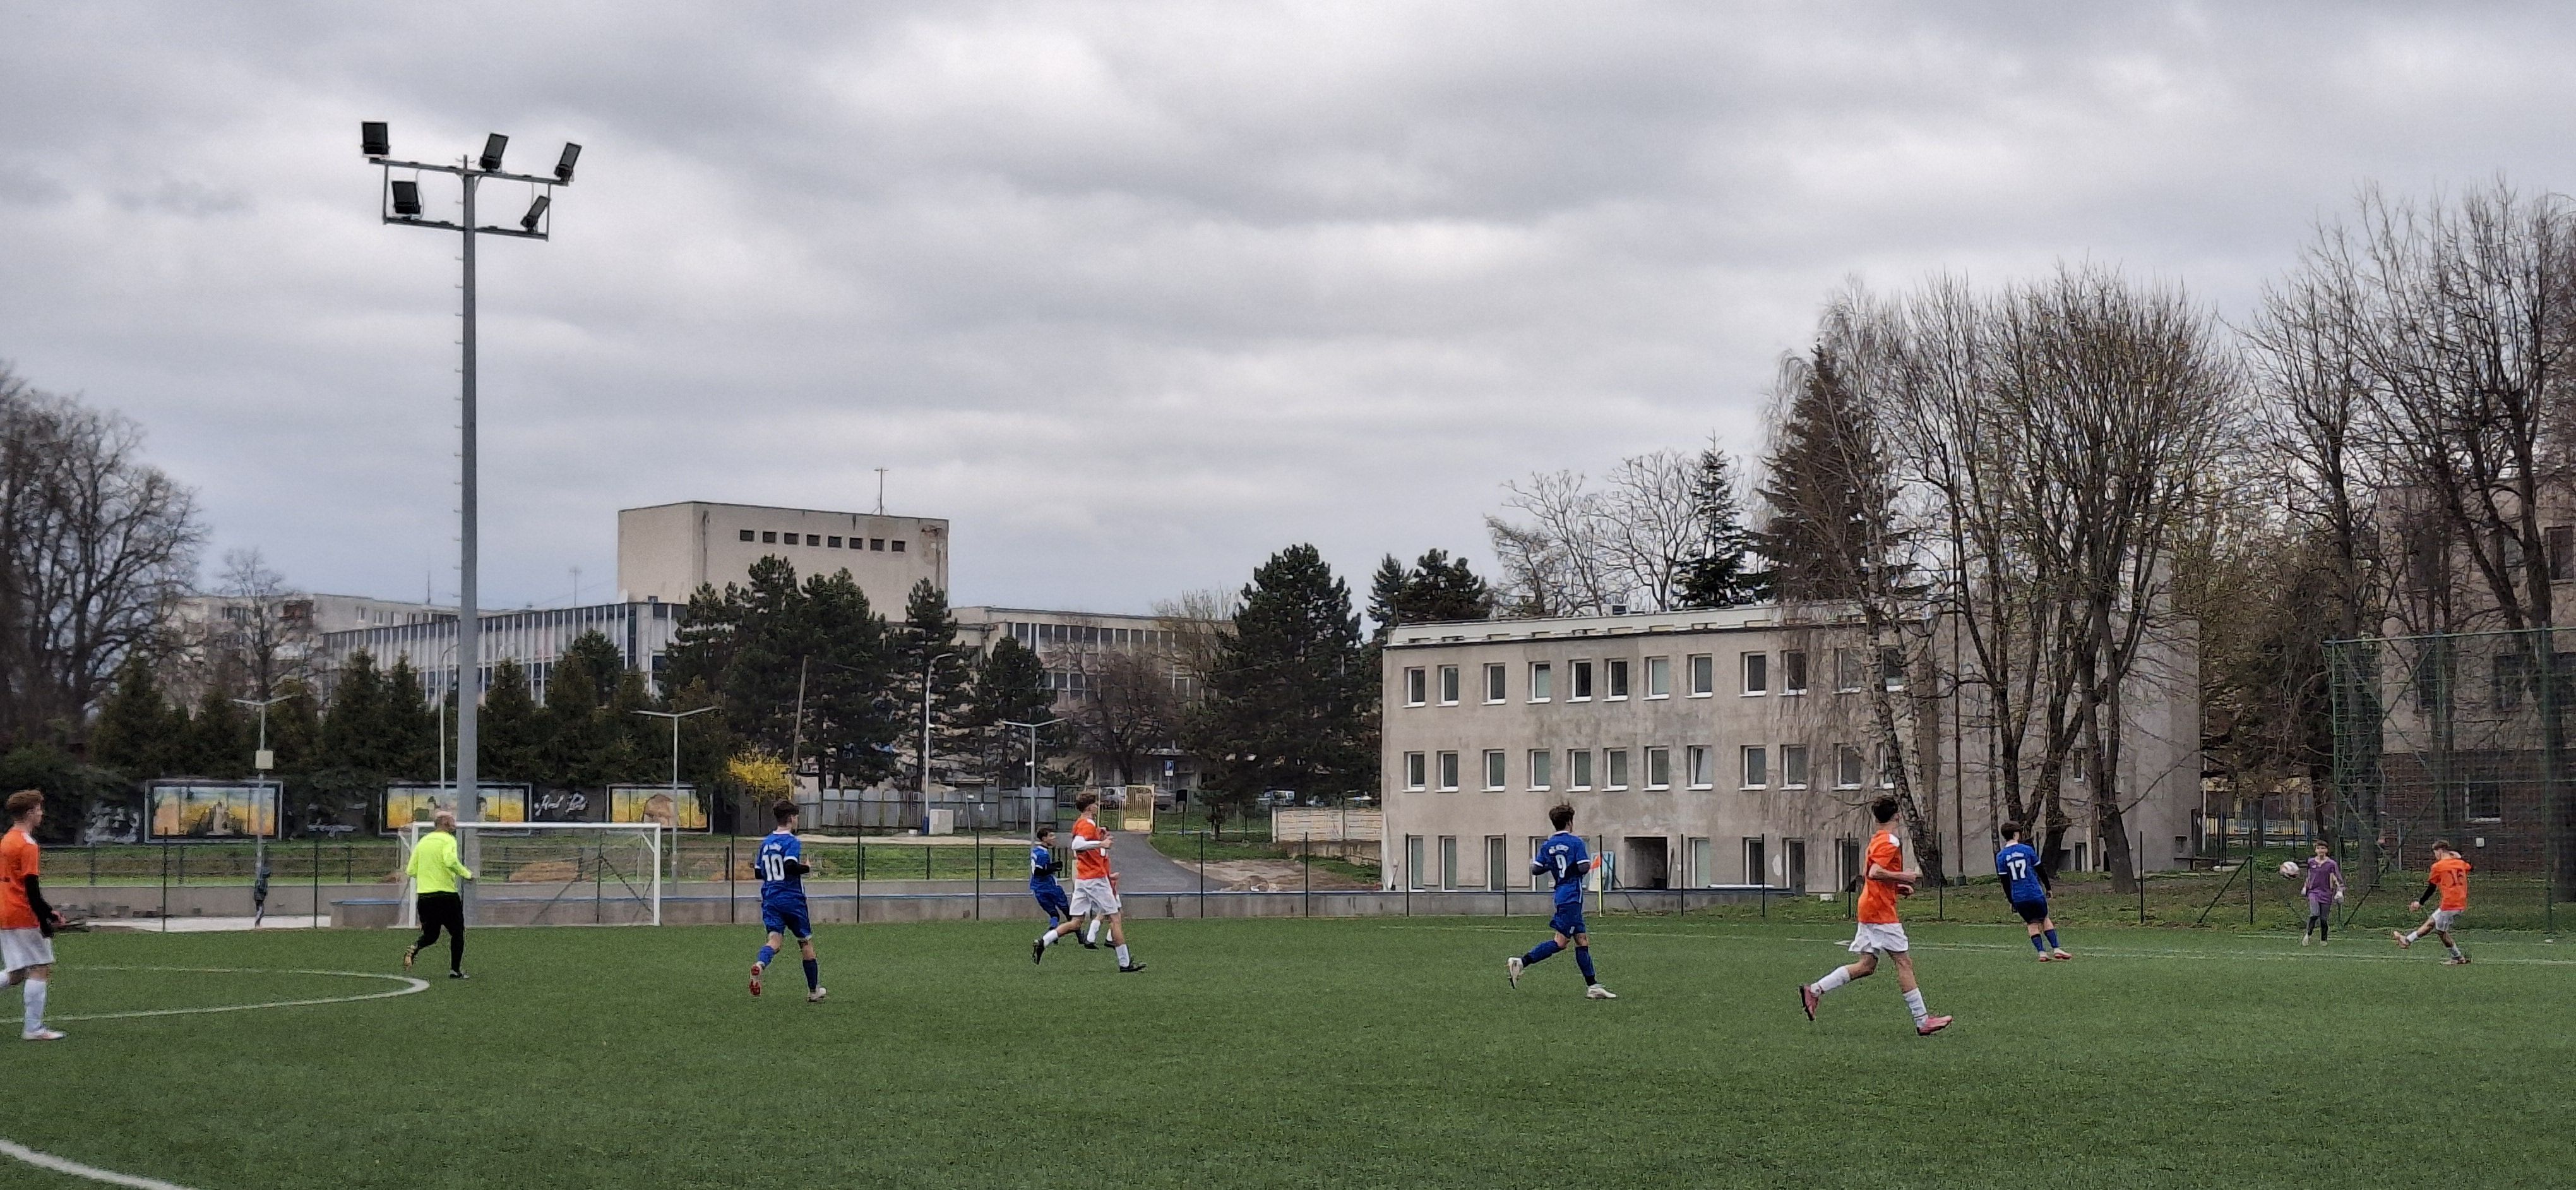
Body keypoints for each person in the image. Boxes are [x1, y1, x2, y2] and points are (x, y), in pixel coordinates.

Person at [1801, 796, 1952, 1035]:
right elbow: (1875, 872)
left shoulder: (1877, 839)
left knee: (1867, 965)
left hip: (1870, 907)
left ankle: (1815, 990)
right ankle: (1922, 1021)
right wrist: (1905, 877)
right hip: (1880, 912)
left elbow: (1867, 874)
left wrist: (1896, 887)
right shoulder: (1890, 840)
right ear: (1897, 816)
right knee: (1904, 962)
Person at [1505, 803, 1616, 999]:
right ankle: (1521, 962)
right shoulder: (1575, 842)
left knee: (1582, 940)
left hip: (1561, 895)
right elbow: (1584, 867)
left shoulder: (1548, 845)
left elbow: (1536, 869)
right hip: (1572, 896)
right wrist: (1574, 866)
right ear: (1570, 822)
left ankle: (1593, 986)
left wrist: (1553, 864)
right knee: (1561, 942)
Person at [1, 791, 67, 1041]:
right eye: (39, 809)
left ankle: (34, 1028)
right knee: (40, 968)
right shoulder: (27, 844)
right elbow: (31, 889)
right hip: (22, 913)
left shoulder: (7, 840)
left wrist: (48, 912)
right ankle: (34, 1029)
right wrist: (46, 919)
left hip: (5, 912)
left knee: (17, 973)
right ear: (29, 813)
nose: (42, 813)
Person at [749, 802, 825, 1002]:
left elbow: (758, 873)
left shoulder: (766, 843)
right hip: (792, 899)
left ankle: (760, 965)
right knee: (805, 942)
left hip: (770, 898)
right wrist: (806, 868)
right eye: (796, 817)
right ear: (791, 818)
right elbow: (790, 866)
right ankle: (813, 991)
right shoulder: (792, 842)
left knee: (774, 940)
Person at [1065, 791, 1145, 973]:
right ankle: (1124, 962)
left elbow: (1081, 844)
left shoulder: (1081, 823)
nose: (1097, 806)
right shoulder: (1087, 824)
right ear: (1089, 807)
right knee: (1114, 918)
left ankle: (1046, 941)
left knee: (1085, 920)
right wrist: (1101, 843)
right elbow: (1077, 845)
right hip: (1095, 879)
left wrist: (1098, 836)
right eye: (1095, 804)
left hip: (1091, 878)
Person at [403, 810, 474, 979]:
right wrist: (467, 874)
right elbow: (450, 861)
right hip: (446, 896)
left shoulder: (423, 842)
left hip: (425, 897)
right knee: (457, 933)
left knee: (431, 935)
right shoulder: (448, 840)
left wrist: (428, 873)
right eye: (452, 820)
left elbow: (411, 870)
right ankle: (455, 970)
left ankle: (415, 947)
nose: (455, 823)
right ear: (445, 823)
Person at [1995, 823, 2067, 961]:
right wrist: (2048, 888)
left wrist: (2011, 901)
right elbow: (2040, 870)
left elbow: (2005, 882)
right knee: (2044, 919)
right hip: (2034, 893)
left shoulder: (2001, 856)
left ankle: (2042, 953)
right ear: (2016, 834)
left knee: (2032, 924)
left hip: (2019, 897)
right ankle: (2057, 949)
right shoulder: (2027, 850)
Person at [2394, 841, 2471, 965]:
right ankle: (2407, 940)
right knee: (2431, 922)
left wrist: (2420, 903)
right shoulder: (2460, 863)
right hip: (2460, 901)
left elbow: (2432, 887)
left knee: (2441, 932)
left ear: (2439, 851)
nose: (2435, 856)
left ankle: (2457, 957)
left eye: (2435, 853)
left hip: (2449, 904)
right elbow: (2468, 867)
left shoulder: (2438, 866)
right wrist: (2458, 857)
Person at [1030, 826, 1095, 963]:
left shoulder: (1035, 851)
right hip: (1050, 888)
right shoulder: (1043, 854)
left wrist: (1052, 867)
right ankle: (1080, 937)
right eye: (1051, 836)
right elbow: (1039, 871)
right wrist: (1052, 868)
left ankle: (1052, 934)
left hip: (1038, 890)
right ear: (1044, 839)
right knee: (1069, 913)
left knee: (1054, 915)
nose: (1054, 838)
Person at [2300, 841, 2345, 946]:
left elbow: (2338, 879)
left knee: (2324, 919)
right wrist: (2305, 887)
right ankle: (2308, 935)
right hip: (2314, 892)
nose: (2321, 850)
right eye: (2319, 848)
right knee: (2314, 913)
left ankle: (2324, 939)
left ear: (2327, 850)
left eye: (2323, 848)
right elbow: (2309, 876)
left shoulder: (2331, 864)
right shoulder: (2311, 862)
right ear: (2316, 850)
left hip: (2326, 893)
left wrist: (2340, 891)